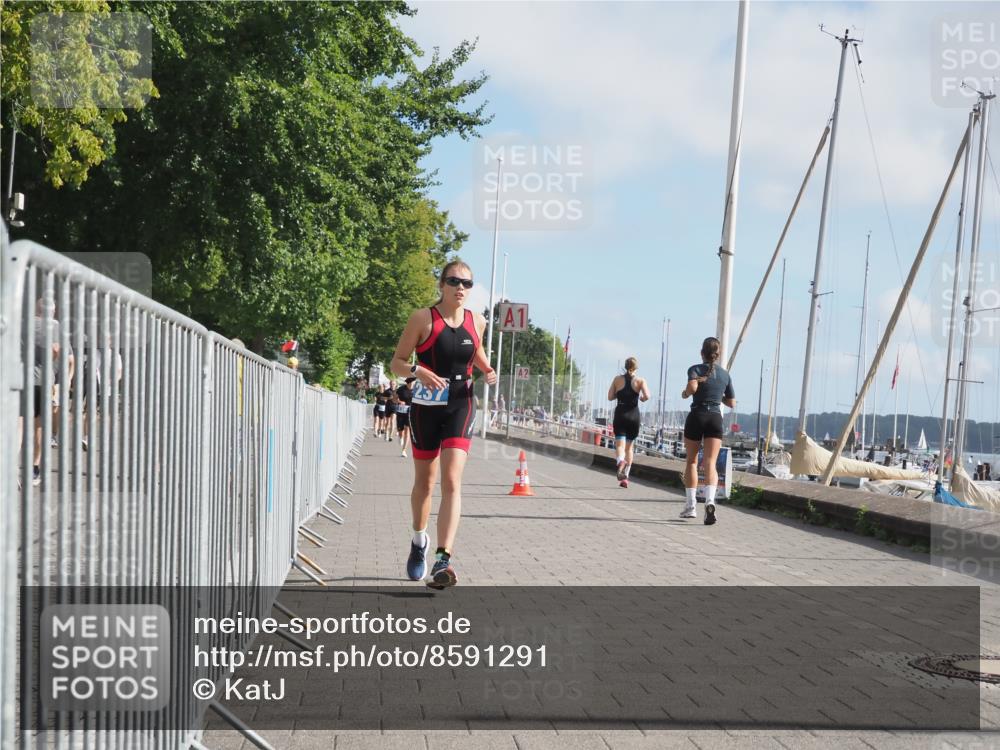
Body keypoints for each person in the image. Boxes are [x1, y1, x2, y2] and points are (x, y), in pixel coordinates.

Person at [390, 260, 496, 589]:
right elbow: (396, 363)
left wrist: (488, 370)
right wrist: (416, 371)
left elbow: (474, 352)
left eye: (467, 283)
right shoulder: (422, 318)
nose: (461, 288)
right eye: (454, 281)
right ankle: (419, 540)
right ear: (442, 284)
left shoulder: (477, 321)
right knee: (425, 481)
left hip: (461, 401)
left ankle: (443, 559)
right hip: (425, 403)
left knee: (451, 480)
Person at [680, 337, 735, 525]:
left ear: (701, 353)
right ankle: (710, 501)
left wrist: (685, 393)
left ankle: (691, 507)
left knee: (692, 462)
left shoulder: (694, 369)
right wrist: (718, 395)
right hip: (715, 419)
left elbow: (692, 387)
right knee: (710, 463)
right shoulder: (725, 375)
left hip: (697, 415)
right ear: (717, 355)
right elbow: (731, 403)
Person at [607, 357, 650, 488]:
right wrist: (641, 398)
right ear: (636, 368)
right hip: (633, 415)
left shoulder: (617, 379)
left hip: (620, 413)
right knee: (629, 448)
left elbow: (610, 397)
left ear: (625, 366)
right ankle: (625, 478)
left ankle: (620, 461)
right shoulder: (640, 380)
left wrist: (619, 394)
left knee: (620, 446)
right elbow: (647, 396)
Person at [395, 378, 414, 457]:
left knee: (407, 430)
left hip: (410, 412)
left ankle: (404, 450)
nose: (413, 384)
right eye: (412, 382)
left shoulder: (416, 390)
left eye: (414, 382)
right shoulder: (401, 389)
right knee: (400, 430)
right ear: (408, 383)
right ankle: (400, 436)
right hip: (401, 412)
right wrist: (399, 402)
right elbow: (394, 399)